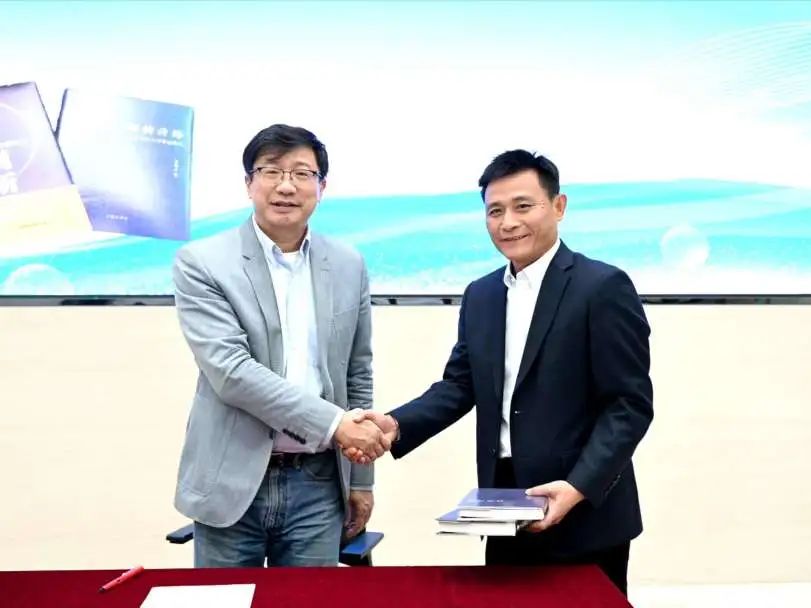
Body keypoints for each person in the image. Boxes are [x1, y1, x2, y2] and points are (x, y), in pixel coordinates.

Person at [350, 149, 653, 594]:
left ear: (559, 206)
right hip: (503, 504)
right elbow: (459, 385)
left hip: (586, 506)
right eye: (495, 211)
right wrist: (395, 425)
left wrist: (577, 487)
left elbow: (628, 406)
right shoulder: (482, 294)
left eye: (522, 206)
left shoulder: (602, 287)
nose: (508, 222)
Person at [172, 123, 388, 567]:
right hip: (230, 480)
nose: (286, 186)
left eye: (302, 173)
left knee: (309, 600)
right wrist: (335, 425)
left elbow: (357, 372)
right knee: (225, 599)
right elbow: (232, 372)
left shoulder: (348, 264)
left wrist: (361, 479)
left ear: (321, 187)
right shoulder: (203, 263)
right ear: (248, 182)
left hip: (318, 484)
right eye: (270, 171)